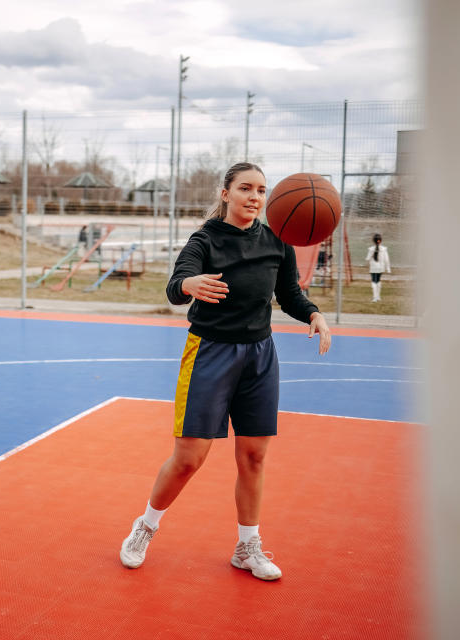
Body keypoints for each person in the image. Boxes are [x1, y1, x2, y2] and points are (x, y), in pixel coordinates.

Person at [119, 162, 332, 580]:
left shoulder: (277, 238)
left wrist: (313, 313)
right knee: (188, 459)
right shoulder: (206, 239)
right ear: (226, 194)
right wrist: (189, 285)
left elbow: (288, 293)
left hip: (259, 355)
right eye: (245, 188)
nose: (254, 197)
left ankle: (246, 547)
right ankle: (144, 527)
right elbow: (175, 284)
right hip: (210, 353)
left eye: (261, 190)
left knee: (253, 456)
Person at [365, 233, 391, 302]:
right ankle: (378, 296)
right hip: (381, 268)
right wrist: (388, 269)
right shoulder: (384, 249)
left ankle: (375, 297)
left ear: (373, 241)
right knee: (378, 280)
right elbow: (386, 259)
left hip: (373, 267)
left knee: (374, 281)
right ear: (380, 240)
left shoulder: (371, 249)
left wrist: (367, 262)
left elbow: (367, 258)